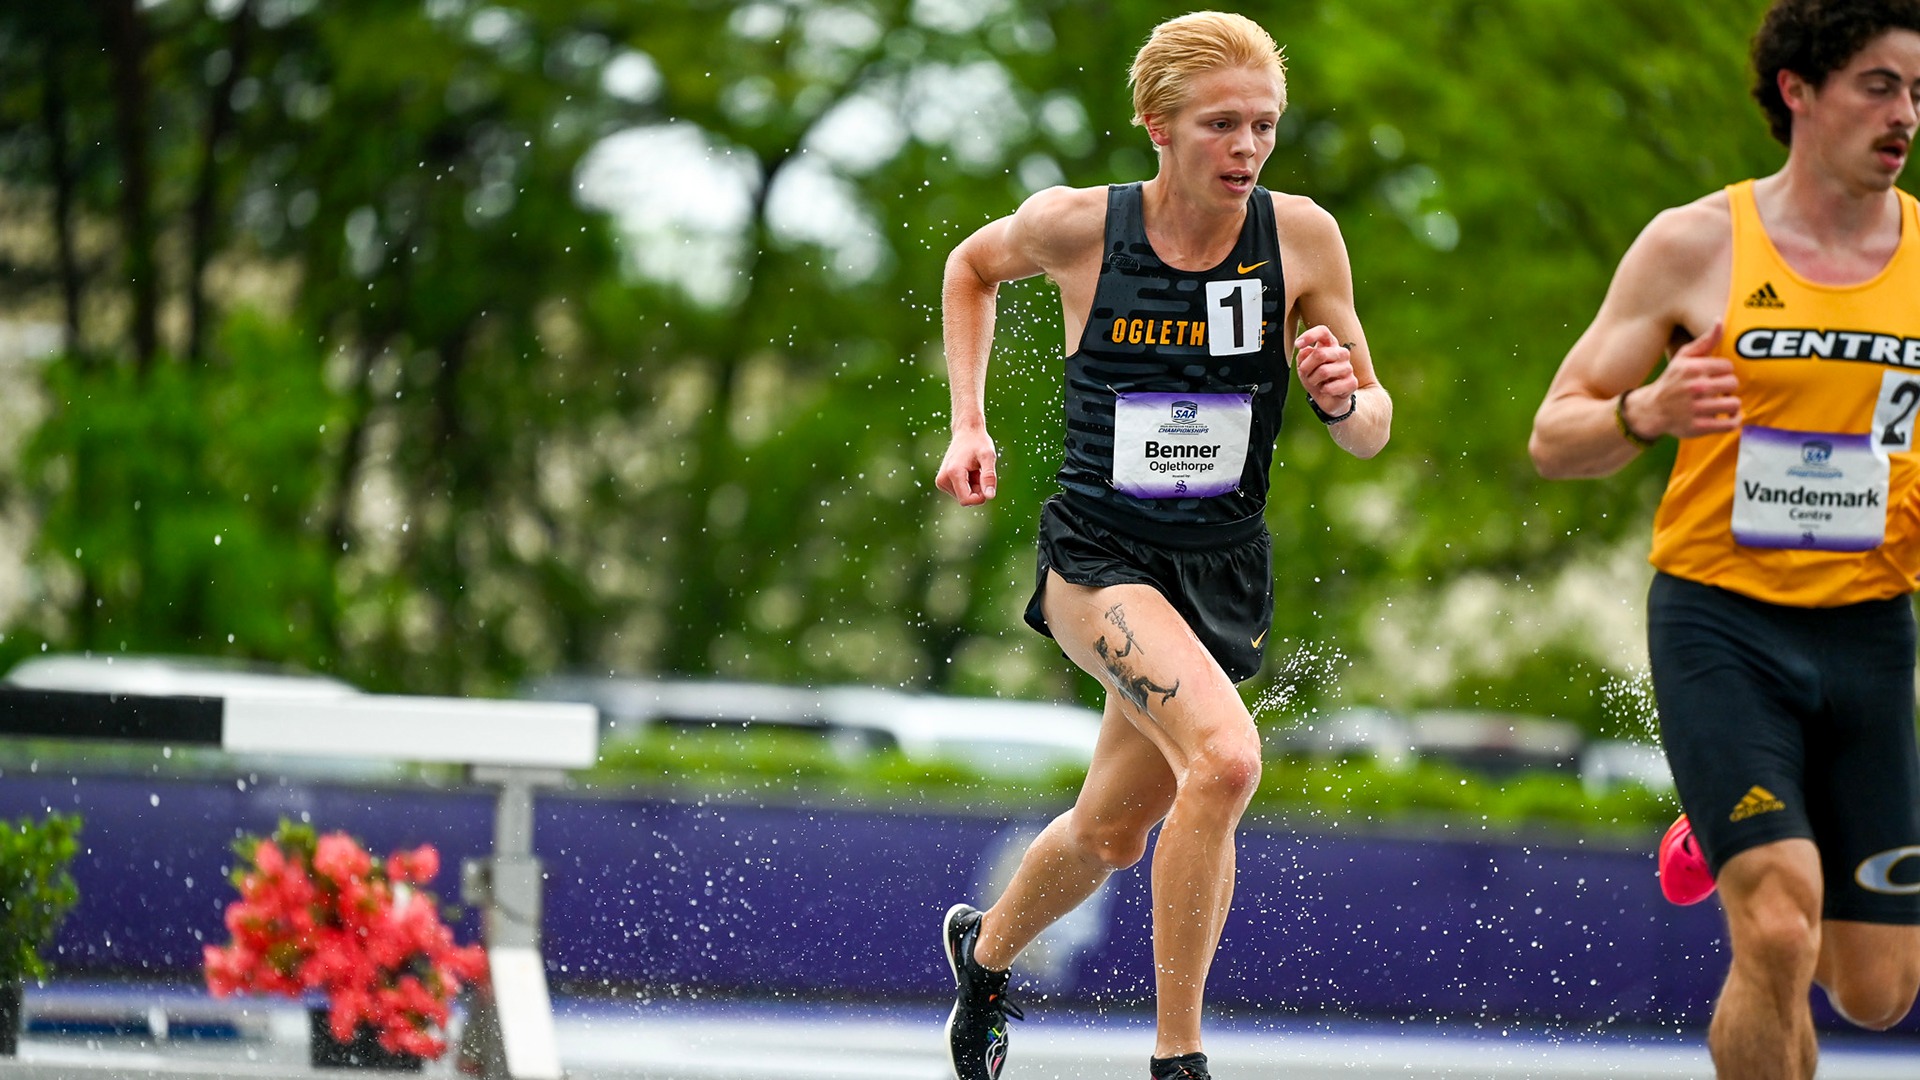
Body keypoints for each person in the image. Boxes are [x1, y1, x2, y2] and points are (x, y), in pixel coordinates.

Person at [932, 11, 1390, 1080]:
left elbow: (1372, 430)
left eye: (1264, 126)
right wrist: (969, 420)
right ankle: (1177, 1057)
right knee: (1226, 763)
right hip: (1100, 555)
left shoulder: (1304, 237)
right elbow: (969, 267)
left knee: (1110, 833)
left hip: (1219, 567)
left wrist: (1340, 397)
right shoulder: (1079, 226)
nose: (1247, 149)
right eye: (1221, 125)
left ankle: (985, 955)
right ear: (1156, 126)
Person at [1529, 2, 1920, 1076]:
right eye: (1879, 86)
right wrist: (1643, 414)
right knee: (1779, 926)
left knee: (1880, 993)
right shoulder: (1698, 243)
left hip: (1871, 634)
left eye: (1919, 94)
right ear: (1797, 90)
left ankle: (1728, 826)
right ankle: (1753, 834)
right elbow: (1554, 435)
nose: (1905, 116)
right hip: (1723, 624)